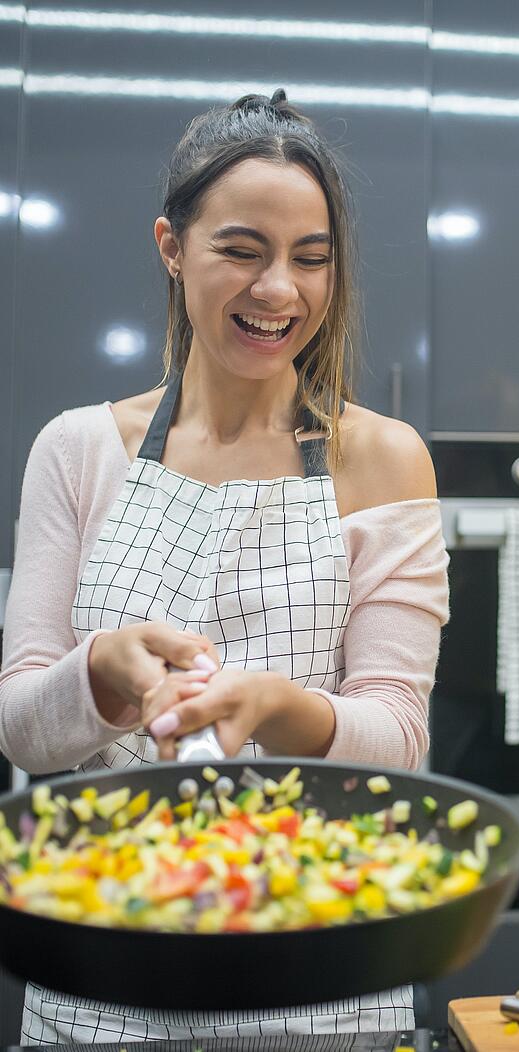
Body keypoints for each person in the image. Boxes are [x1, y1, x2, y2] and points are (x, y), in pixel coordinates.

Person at [0, 90, 448, 1042]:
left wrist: (273, 707)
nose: (279, 290)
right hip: (103, 978)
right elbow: (23, 733)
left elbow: (401, 740)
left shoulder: (385, 457)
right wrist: (102, 675)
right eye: (242, 251)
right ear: (171, 246)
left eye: (311, 259)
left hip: (325, 978)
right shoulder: (78, 450)